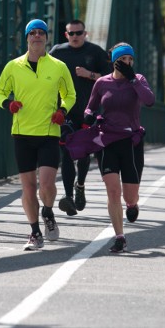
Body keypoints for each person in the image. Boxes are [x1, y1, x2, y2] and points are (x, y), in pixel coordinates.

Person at [0, 19, 76, 251]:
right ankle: (35, 232)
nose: (37, 36)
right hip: (22, 133)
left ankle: (48, 212)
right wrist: (8, 104)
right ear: (27, 38)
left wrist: (62, 111)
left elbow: (70, 95)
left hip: (49, 132)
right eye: (33, 33)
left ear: (46, 38)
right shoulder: (13, 66)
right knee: (28, 187)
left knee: (47, 184)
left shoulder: (58, 66)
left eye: (41, 33)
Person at [78, 43, 155, 253]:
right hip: (107, 140)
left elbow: (149, 100)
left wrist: (132, 79)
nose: (128, 63)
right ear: (115, 61)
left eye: (131, 59)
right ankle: (120, 237)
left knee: (129, 196)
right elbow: (91, 106)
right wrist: (88, 115)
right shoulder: (102, 83)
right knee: (113, 191)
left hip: (131, 142)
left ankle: (132, 205)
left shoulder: (138, 80)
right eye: (124, 60)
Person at [49, 19, 111, 216]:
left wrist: (89, 74)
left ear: (86, 33)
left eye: (79, 33)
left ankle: (80, 185)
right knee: (67, 153)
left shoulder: (95, 52)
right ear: (66, 35)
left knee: (83, 154)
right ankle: (68, 197)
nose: (75, 36)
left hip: (88, 111)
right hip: (65, 111)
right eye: (71, 33)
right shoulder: (57, 52)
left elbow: (110, 77)